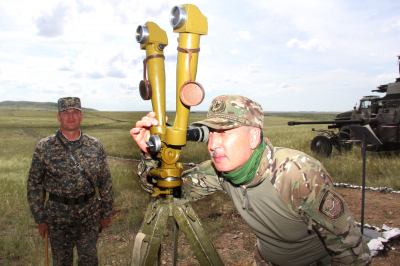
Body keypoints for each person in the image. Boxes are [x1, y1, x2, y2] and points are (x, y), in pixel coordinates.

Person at [130, 95, 371, 266]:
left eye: (224, 132)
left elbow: (350, 249)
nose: (213, 145)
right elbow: (166, 191)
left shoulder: (296, 173)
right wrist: (150, 155)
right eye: (210, 134)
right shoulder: (221, 171)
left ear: (253, 136)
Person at [27, 97, 114, 265]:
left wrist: (106, 213)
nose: (71, 117)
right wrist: (40, 219)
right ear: (58, 117)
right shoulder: (44, 147)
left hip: (89, 215)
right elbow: (35, 185)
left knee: (89, 261)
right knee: (61, 262)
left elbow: (105, 182)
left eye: (75, 112)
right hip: (58, 218)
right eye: (65, 113)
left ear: (81, 116)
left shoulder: (96, 146)